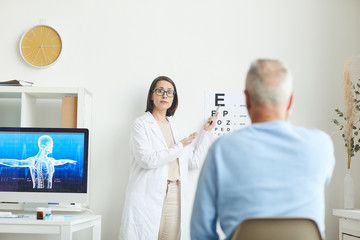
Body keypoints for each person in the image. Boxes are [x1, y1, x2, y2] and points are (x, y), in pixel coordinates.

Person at [190, 59, 335, 239]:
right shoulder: (321, 145)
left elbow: (200, 231)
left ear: (247, 99)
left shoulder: (221, 150)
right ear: (290, 101)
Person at [119, 76, 218, 240]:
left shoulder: (176, 128)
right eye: (160, 91)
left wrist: (206, 132)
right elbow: (147, 160)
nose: (165, 95)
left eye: (170, 92)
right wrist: (180, 145)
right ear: (152, 96)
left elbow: (193, 161)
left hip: (174, 192)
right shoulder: (141, 124)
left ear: (174, 98)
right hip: (148, 191)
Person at [0, 135, 76, 189]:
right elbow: (17, 163)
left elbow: (60, 161)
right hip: (36, 195)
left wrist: (68, 161)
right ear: (43, 146)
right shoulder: (33, 161)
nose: (52, 146)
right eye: (50, 144)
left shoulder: (50, 160)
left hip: (49, 195)